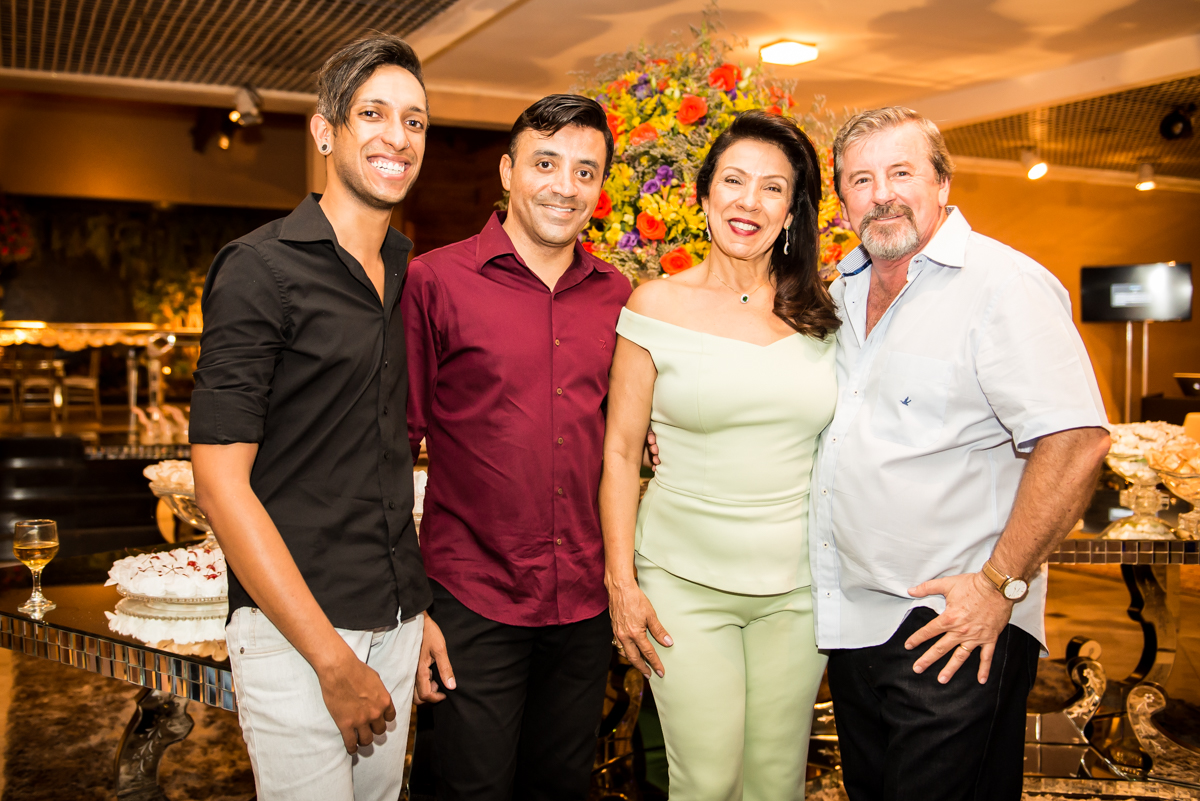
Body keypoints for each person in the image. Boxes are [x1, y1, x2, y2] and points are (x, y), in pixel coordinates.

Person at [810, 106, 1111, 801]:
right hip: (853, 619)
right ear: (842, 198)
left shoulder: (1003, 286)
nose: (882, 194)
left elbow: (1077, 440)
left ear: (943, 183)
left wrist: (998, 585)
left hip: (956, 622)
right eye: (861, 179)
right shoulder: (838, 294)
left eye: (902, 172)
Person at [189, 35, 431, 801]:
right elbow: (219, 484)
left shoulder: (404, 269)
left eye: (415, 121)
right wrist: (331, 659)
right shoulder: (259, 268)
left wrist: (415, 610)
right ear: (325, 131)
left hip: (396, 617)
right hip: (297, 631)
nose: (398, 136)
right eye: (373, 113)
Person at [600, 110, 840, 801]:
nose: (749, 201)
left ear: (792, 212)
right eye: (734, 180)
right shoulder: (654, 305)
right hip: (682, 581)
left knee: (777, 781)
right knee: (707, 781)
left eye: (773, 188)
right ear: (703, 194)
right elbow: (621, 451)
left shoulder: (826, 313)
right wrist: (621, 583)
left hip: (798, 588)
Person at [402, 94, 630, 801]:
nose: (565, 186)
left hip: (583, 604)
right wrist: (410, 607)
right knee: (465, 789)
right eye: (545, 163)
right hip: (470, 598)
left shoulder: (618, 294)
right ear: (507, 172)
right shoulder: (434, 281)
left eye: (585, 171)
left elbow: (622, 435)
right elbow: (390, 450)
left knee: (561, 788)